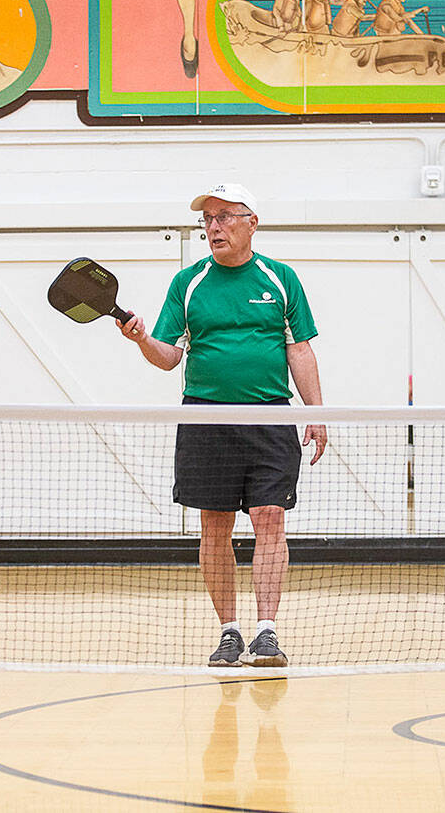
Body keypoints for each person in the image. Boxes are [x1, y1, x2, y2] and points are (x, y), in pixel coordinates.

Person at [118, 183, 327, 668]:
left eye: (225, 216)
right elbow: (169, 357)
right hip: (205, 418)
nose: (214, 226)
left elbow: (299, 347)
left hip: (269, 417)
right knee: (214, 527)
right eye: (207, 219)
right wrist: (141, 339)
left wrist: (315, 411)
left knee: (270, 518)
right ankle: (229, 631)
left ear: (252, 223)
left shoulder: (280, 279)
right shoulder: (187, 283)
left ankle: (268, 632)